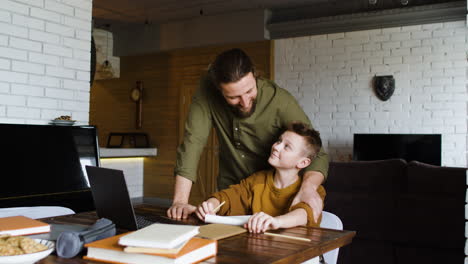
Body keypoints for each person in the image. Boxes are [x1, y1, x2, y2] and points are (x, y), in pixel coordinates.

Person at [167, 48, 329, 221]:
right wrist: (181, 202)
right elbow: (193, 142)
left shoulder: (280, 101)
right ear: (219, 90)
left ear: (254, 74)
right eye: (233, 97)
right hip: (235, 189)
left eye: (249, 91)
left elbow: (313, 150)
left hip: (269, 192)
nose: (244, 103)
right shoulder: (206, 91)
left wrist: (308, 188)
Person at [195, 122, 326, 233]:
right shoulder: (257, 180)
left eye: (287, 146)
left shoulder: (314, 191)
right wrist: (211, 204)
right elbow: (229, 197)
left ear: (303, 163)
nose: (276, 146)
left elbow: (303, 214)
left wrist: (275, 221)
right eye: (279, 141)